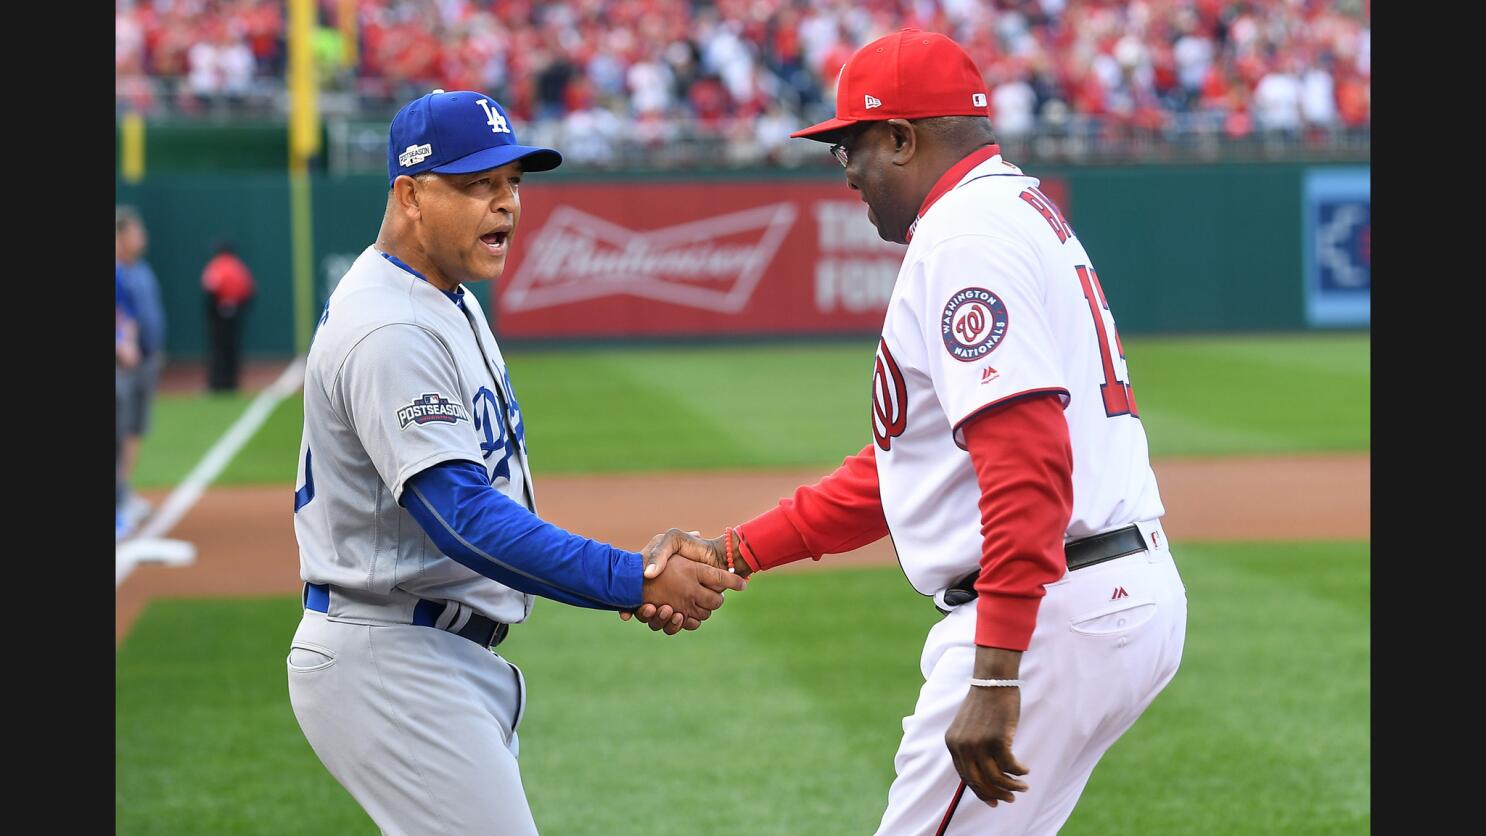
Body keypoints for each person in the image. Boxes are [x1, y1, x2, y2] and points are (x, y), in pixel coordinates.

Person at [632, 30, 1188, 835]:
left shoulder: (967, 236)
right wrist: (736, 549)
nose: (847, 172)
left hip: (1049, 615)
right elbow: (909, 469)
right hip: (1090, 594)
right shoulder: (1009, 210)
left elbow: (1028, 464)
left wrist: (996, 675)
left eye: (852, 147)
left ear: (902, 137)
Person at [285, 89, 745, 835]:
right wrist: (630, 577)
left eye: (513, 183)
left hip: (425, 648)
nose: (505, 205)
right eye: (477, 185)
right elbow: (461, 519)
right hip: (391, 656)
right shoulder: (391, 326)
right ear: (409, 194)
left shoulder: (442, 296)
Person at [115, 206, 167, 528]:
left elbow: (133, 317)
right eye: (135, 232)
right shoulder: (118, 271)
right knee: (120, 431)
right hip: (123, 365)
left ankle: (123, 494)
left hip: (146, 359)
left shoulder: (141, 270)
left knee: (134, 429)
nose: (142, 238)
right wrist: (124, 344)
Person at [200, 240, 256, 392]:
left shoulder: (216, 266)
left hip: (219, 315)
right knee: (232, 348)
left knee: (218, 348)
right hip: (236, 314)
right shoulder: (239, 267)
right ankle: (231, 382)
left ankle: (217, 383)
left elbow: (209, 290)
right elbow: (249, 291)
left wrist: (212, 313)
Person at [116, 265, 141, 541]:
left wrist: (127, 342)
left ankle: (119, 503)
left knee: (118, 438)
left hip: (118, 369)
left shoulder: (118, 274)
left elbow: (124, 315)